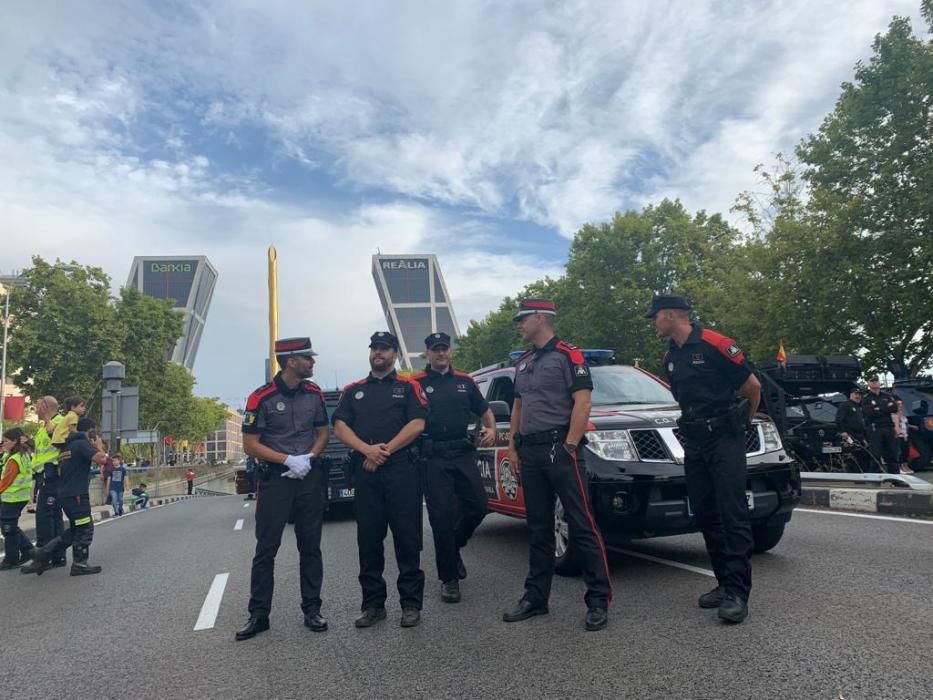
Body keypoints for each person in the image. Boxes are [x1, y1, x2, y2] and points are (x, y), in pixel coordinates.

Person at [649, 294, 760, 624]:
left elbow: (752, 387)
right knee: (706, 512)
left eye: (654, 317)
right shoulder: (670, 357)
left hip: (724, 437)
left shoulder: (715, 343)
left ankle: (738, 593)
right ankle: (724, 583)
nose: (652, 323)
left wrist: (743, 424)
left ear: (671, 315)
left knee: (732, 512)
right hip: (695, 441)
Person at [502, 299, 612, 632]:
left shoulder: (568, 355)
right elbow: (517, 407)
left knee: (582, 524)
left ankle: (597, 600)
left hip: (560, 449)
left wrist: (570, 445)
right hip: (531, 452)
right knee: (538, 528)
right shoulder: (523, 362)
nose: (519, 325)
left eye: (523, 319)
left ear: (540, 318)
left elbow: (583, 401)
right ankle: (536, 598)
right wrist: (513, 448)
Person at [235, 337, 331, 641]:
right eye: (308, 358)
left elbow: (322, 431)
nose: (313, 362)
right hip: (275, 480)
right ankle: (259, 615)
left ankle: (312, 610)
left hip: (308, 477)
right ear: (291, 361)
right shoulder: (260, 398)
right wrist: (287, 459)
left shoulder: (314, 393)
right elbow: (250, 444)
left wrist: (309, 457)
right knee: (266, 549)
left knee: (311, 546)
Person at [333, 331, 428, 629]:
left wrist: (385, 450)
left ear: (395, 355)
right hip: (366, 470)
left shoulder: (408, 387)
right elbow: (340, 425)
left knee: (407, 538)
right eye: (374, 348)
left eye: (385, 349)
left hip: (401, 469)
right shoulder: (353, 390)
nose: (378, 353)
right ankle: (373, 605)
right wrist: (366, 450)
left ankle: (411, 604)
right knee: (369, 541)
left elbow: (417, 423)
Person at [413, 332, 496, 604]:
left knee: (479, 505)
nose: (441, 354)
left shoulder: (465, 381)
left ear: (450, 352)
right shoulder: (416, 384)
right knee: (441, 518)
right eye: (435, 349)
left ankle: (455, 544)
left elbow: (484, 409)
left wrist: (491, 427)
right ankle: (449, 579)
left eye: (444, 349)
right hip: (433, 456)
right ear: (427, 353)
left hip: (461, 453)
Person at [22, 418, 108, 576]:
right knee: (85, 528)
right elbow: (101, 459)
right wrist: (98, 446)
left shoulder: (65, 447)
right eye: (94, 432)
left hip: (66, 494)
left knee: (75, 529)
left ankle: (43, 553)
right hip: (77, 496)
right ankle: (79, 563)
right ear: (90, 431)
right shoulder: (81, 444)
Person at [31, 396, 67, 567]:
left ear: (45, 406)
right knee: (54, 517)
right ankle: (57, 556)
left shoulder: (59, 422)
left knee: (45, 517)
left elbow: (58, 443)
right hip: (43, 476)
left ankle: (43, 557)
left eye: (37, 406)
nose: (35, 409)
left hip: (52, 475)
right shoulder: (42, 427)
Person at [0, 428, 36, 570]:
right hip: (19, 496)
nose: (4, 443)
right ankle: (28, 550)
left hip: (12, 497)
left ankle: (11, 559)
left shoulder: (15, 459)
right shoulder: (22, 455)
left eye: (7, 441)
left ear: (14, 441)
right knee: (11, 526)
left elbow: (7, 480)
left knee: (8, 528)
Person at [862, 375, 899, 475]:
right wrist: (885, 408)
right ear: (868, 384)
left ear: (879, 383)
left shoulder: (887, 396)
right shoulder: (866, 398)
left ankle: (895, 477)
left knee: (892, 454)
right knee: (876, 454)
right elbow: (869, 412)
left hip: (888, 427)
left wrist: (878, 408)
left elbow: (894, 408)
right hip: (875, 428)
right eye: (872, 381)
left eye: (876, 381)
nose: (874, 383)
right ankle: (874, 478)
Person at [835, 387, 873, 473]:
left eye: (859, 394)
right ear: (851, 395)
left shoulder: (860, 407)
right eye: (856, 394)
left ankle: (864, 474)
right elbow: (839, 419)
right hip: (850, 435)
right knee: (853, 454)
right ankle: (854, 474)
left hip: (860, 435)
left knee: (863, 454)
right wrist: (843, 432)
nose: (858, 396)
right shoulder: (845, 405)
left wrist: (864, 437)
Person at [893, 400, 914, 475]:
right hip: (899, 435)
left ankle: (906, 466)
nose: (900, 405)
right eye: (898, 404)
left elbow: (905, 423)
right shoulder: (894, 414)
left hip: (905, 434)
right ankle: (900, 467)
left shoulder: (903, 413)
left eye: (901, 404)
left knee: (905, 452)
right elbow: (896, 425)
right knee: (900, 452)